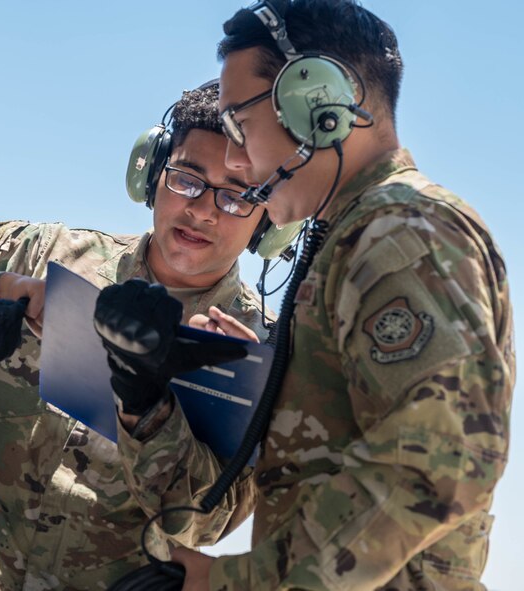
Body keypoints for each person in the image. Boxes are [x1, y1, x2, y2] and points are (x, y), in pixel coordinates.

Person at [95, 1, 514, 589]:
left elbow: (438, 464)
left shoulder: (399, 234)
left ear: (315, 103)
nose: (236, 157)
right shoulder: (356, 236)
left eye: (240, 125)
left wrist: (231, 585)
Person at [0, 84, 277, 590]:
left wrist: (147, 406)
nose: (203, 210)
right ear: (152, 175)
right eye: (186, 179)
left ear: (268, 216)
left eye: (238, 195)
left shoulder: (260, 352)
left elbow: (203, 522)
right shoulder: (44, 255)